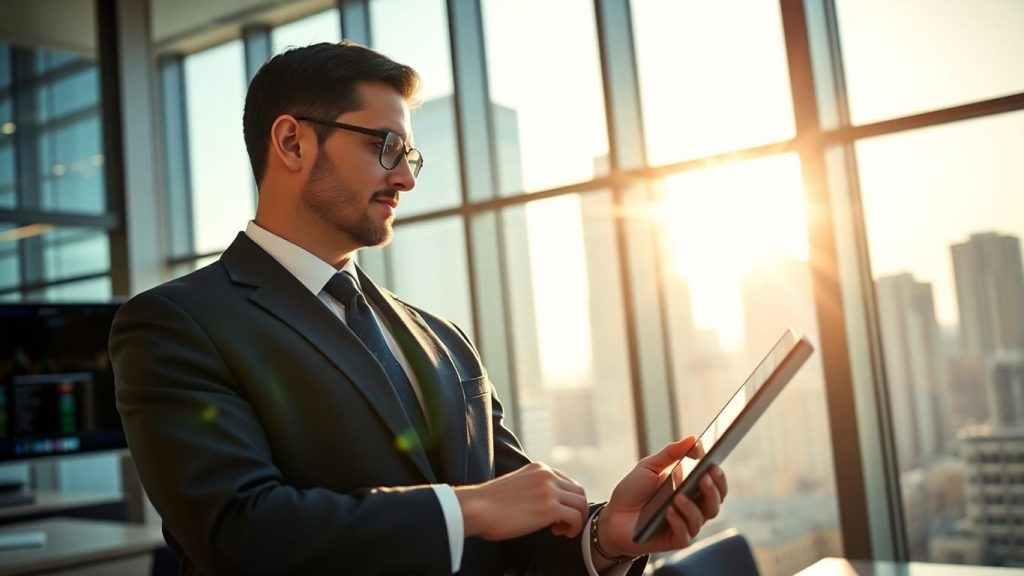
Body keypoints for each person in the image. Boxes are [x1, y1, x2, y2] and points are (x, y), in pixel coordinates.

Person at [110, 40, 728, 576]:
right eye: (386, 146)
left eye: (410, 155)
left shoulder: (443, 338)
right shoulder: (176, 324)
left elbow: (519, 546)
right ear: (293, 142)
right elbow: (240, 535)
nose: (405, 178)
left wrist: (605, 536)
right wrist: (467, 507)